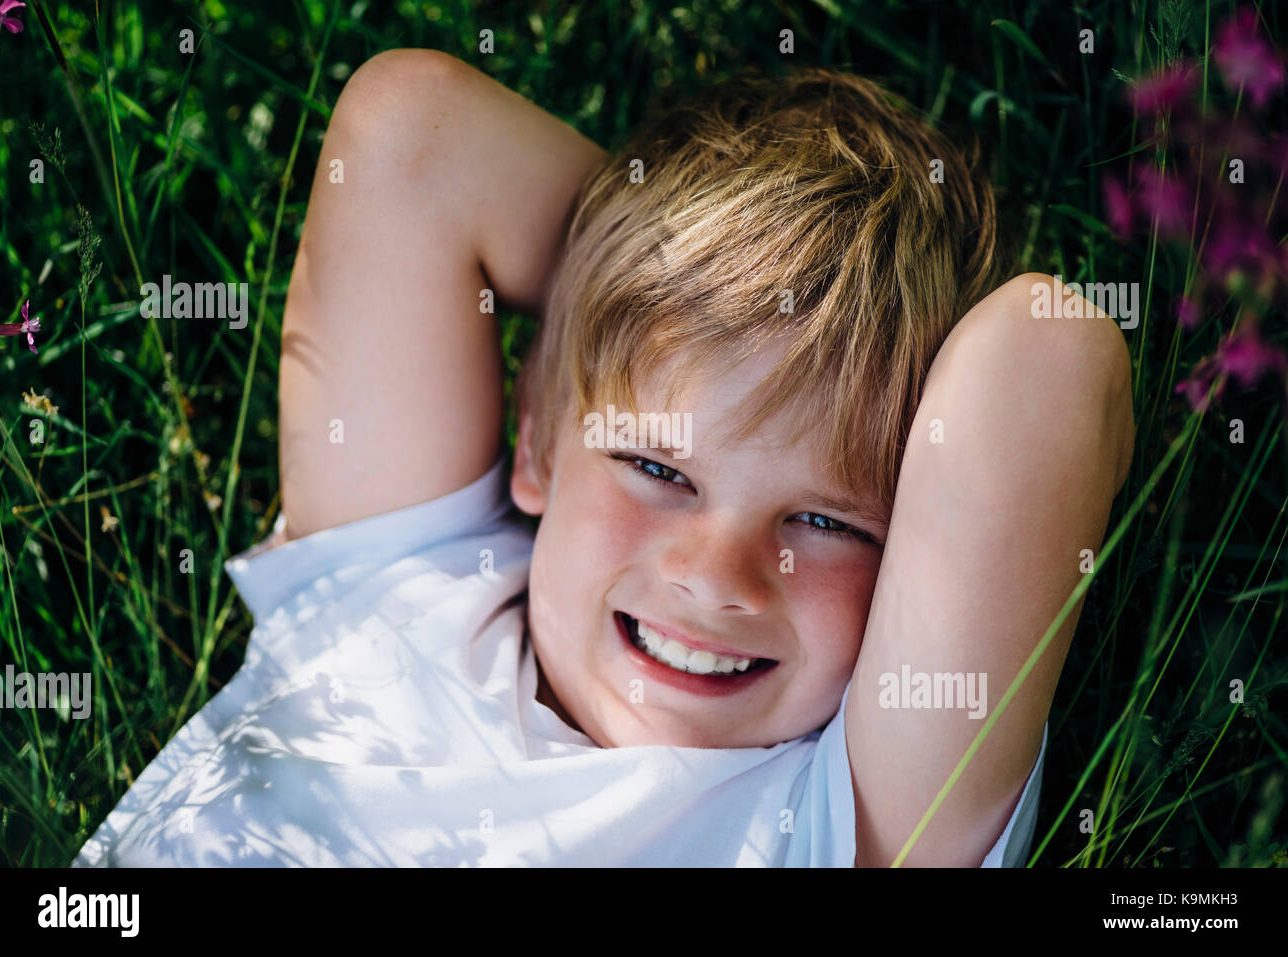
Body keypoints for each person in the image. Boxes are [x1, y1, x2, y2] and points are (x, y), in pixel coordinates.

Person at [74, 50, 1134, 867]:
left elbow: (1049, 357)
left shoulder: (842, 823)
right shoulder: (403, 593)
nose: (713, 574)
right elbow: (413, 135)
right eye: (659, 470)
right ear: (538, 439)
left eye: (827, 521)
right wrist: (665, 277)